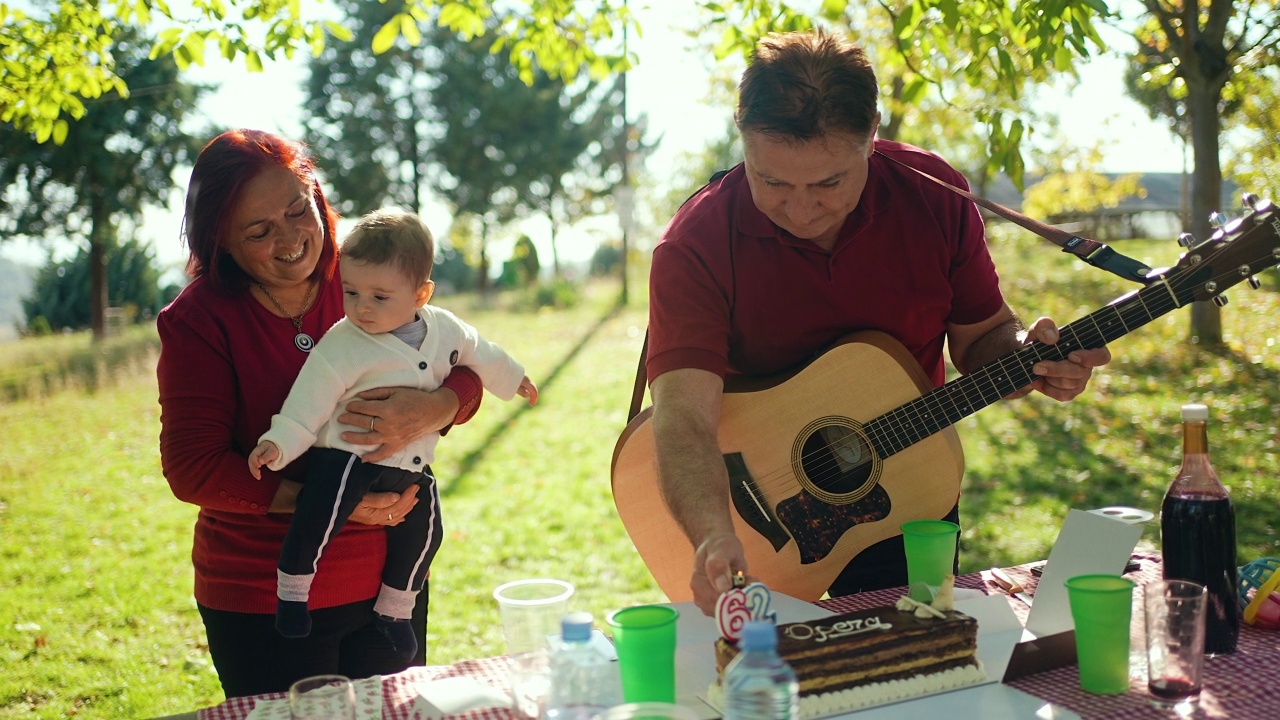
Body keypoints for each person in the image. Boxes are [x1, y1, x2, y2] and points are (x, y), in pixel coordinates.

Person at [644, 30, 1113, 616]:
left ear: (872, 138)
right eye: (772, 182)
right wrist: (714, 534)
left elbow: (981, 338)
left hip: (909, 489)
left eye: (828, 183)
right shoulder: (695, 244)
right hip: (754, 524)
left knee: (924, 665)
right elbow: (683, 418)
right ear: (742, 139)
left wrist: (1028, 353)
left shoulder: (935, 196)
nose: (800, 208)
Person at [157, 129, 486, 697]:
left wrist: (437, 405)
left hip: (390, 586)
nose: (292, 239)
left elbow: (461, 359)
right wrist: (329, 505)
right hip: (265, 600)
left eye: (298, 210)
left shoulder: (363, 276)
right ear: (222, 243)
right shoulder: (199, 320)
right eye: (259, 231)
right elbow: (193, 468)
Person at [248, 208, 537, 660]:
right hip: (346, 455)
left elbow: (481, 353)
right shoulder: (343, 342)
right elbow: (310, 397)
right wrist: (279, 442)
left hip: (409, 463)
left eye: (380, 297)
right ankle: (293, 591)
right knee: (319, 513)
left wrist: (513, 376)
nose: (362, 306)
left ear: (421, 293)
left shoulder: (445, 329)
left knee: (426, 532)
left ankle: (395, 610)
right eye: (351, 291)